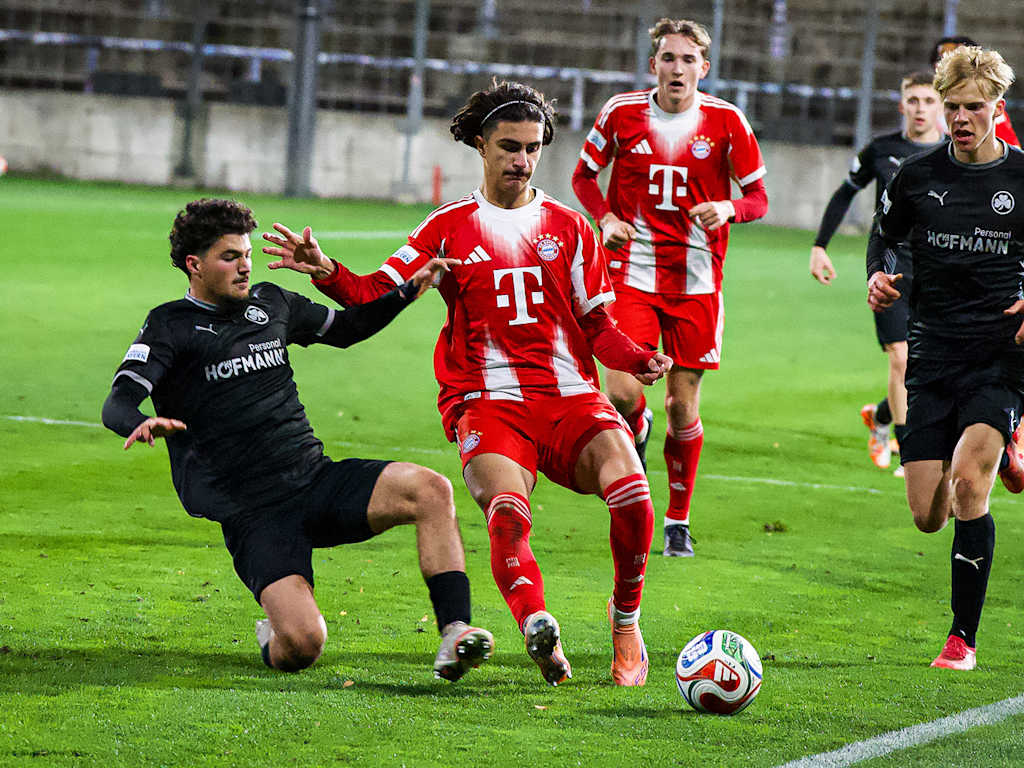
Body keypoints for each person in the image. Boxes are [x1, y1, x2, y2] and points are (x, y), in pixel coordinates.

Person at [263, 80, 673, 687]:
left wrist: (638, 358)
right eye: (509, 146)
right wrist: (327, 270)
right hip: (486, 404)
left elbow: (597, 326)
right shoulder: (449, 227)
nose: (522, 159)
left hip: (570, 398)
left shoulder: (572, 228)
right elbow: (375, 290)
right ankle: (537, 624)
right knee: (506, 512)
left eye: (533, 148)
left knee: (635, 498)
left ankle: (625, 619)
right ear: (480, 145)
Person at [101, 198, 494, 681]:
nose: (244, 266)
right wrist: (137, 422)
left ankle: (455, 631)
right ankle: (273, 632)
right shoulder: (170, 325)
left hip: (313, 479)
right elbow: (117, 402)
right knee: (303, 647)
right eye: (230, 257)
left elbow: (346, 330)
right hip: (254, 512)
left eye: (246, 254)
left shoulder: (273, 303)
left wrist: (406, 293)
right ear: (194, 265)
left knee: (431, 489)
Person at [571, 17, 768, 557]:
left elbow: (758, 198)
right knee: (620, 391)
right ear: (653, 63)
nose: (676, 68)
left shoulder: (727, 122)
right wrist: (606, 218)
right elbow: (583, 176)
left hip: (697, 284)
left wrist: (729, 206)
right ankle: (636, 423)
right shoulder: (621, 112)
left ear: (703, 68)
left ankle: (677, 519)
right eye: (668, 57)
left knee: (683, 406)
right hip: (630, 275)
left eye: (687, 60)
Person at [867, 47, 1024, 670]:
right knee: (928, 515)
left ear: (997, 109)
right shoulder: (916, 175)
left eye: (973, 108)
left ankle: (962, 639)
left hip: (1001, 357)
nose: (960, 119)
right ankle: (1008, 448)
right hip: (933, 354)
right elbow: (887, 235)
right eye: (953, 107)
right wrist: (880, 275)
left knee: (968, 485)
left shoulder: (1021, 179)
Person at [809, 71, 946, 475]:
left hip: (936, 271)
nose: (920, 109)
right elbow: (844, 193)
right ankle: (910, 453)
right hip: (888, 269)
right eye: (914, 100)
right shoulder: (882, 150)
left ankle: (882, 415)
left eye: (928, 100)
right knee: (901, 358)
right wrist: (820, 246)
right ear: (902, 104)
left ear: (940, 106)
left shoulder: (953, 155)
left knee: (928, 363)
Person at [929, 36, 1020, 148]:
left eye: (973, 107)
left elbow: (1012, 149)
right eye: (940, 58)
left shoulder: (992, 112)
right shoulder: (924, 102)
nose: (960, 117)